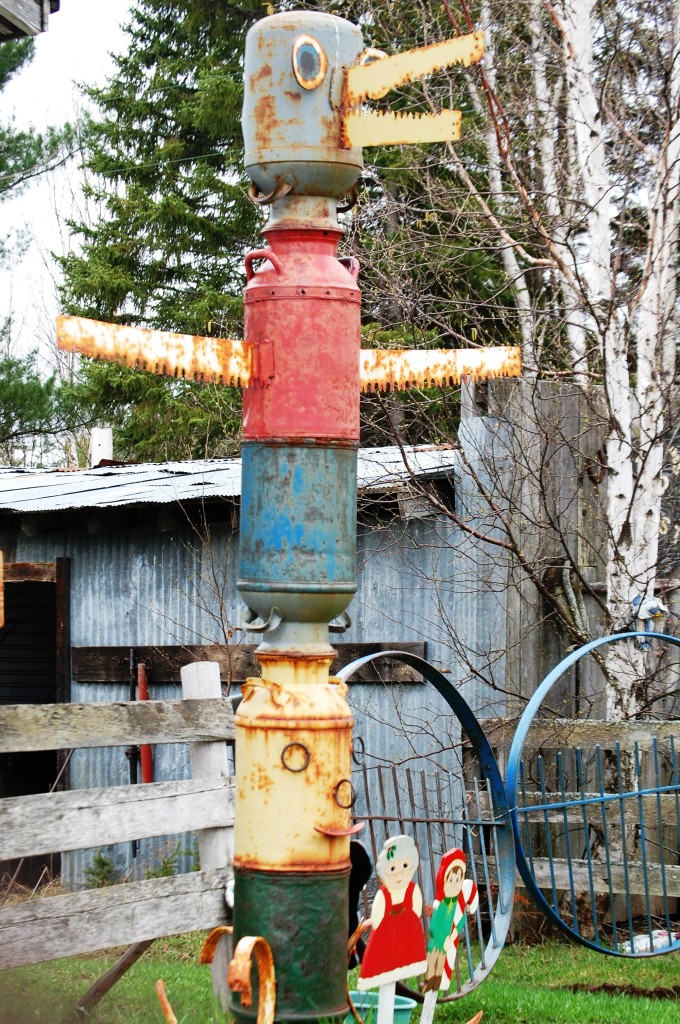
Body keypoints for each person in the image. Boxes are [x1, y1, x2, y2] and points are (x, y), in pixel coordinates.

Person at [357, 834, 427, 990]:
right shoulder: (384, 894)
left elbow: (415, 909)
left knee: (404, 959)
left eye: (404, 866)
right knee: (386, 962)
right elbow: (377, 918)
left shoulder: (412, 889)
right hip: (387, 935)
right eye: (393, 868)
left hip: (407, 931)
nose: (399, 873)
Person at [421, 847, 478, 993]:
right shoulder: (442, 904)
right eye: (451, 879)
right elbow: (436, 922)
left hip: (447, 939)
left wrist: (451, 937)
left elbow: (459, 924)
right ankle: (429, 981)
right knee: (433, 959)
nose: (454, 883)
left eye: (458, 879)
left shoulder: (456, 906)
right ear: (444, 879)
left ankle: (435, 983)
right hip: (438, 938)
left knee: (441, 962)